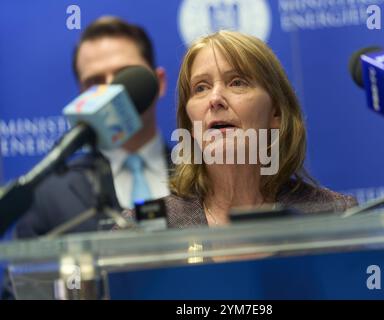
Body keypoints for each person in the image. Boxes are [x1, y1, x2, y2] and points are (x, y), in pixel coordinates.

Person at [121, 30, 357, 229]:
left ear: (275, 112)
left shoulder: (334, 215)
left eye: (237, 82)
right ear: (190, 124)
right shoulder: (146, 227)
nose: (215, 99)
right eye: (200, 88)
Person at [14, 16, 171, 237]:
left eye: (124, 76)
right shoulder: (50, 195)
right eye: (96, 82)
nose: (110, 93)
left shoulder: (208, 175)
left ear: (159, 83)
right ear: (82, 95)